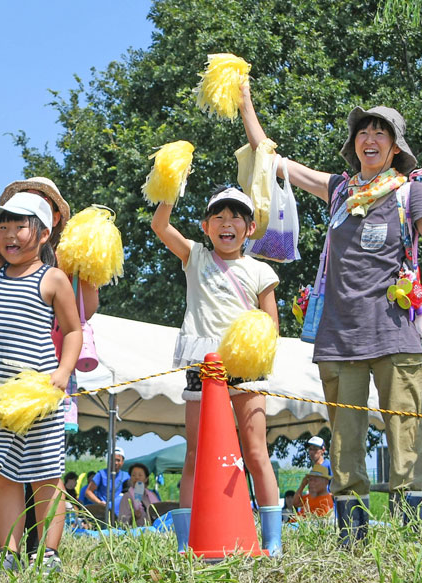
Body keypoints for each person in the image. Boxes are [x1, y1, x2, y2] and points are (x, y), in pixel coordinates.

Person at [240, 83, 422, 543]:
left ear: (395, 148)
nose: (370, 138)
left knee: (406, 440)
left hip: (397, 336)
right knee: (344, 444)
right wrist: (244, 101)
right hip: (339, 339)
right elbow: (270, 157)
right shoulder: (338, 189)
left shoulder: (410, 194)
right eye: (363, 131)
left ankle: (410, 542)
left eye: (381, 132)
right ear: (355, 144)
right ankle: (352, 543)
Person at [0, 176, 98, 556]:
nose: (8, 232)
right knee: (5, 477)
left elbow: (73, 331)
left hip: (40, 395)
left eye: (20, 224)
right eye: (3, 225)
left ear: (42, 234)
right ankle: (9, 553)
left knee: (46, 479)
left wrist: (63, 373)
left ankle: (49, 554)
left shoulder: (53, 277)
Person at [151, 186, 282, 554]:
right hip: (202, 364)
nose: (227, 224)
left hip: (247, 366)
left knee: (256, 451)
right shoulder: (195, 256)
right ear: (205, 226)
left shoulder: (260, 270)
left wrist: (254, 347)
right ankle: (185, 542)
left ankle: (273, 541)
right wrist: (172, 186)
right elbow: (160, 226)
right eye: (219, 218)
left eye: (235, 217)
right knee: (195, 452)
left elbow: (271, 324)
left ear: (250, 227)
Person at [85, 447, 131, 515]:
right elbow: (88, 492)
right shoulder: (101, 474)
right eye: (113, 460)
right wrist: (99, 502)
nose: (115, 463)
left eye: (118, 460)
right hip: (103, 511)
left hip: (120, 512)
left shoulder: (127, 476)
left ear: (122, 462)